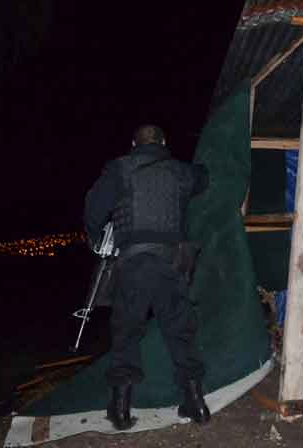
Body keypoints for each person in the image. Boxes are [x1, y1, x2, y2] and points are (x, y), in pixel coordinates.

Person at [84, 124, 210, 430]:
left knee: (126, 332)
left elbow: (93, 208)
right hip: (172, 263)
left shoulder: (119, 169)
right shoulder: (181, 172)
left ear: (133, 144)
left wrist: (96, 239)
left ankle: (121, 411)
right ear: (164, 142)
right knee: (180, 331)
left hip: (133, 264)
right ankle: (196, 404)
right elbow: (204, 177)